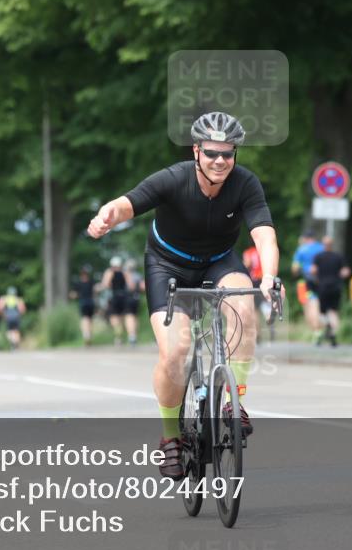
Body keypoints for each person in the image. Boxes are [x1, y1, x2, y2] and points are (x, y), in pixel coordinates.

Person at [87, 111, 281, 480]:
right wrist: (106, 216)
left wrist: (270, 276)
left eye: (228, 153)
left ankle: (233, 402)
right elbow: (127, 203)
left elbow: (264, 233)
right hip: (167, 266)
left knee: (244, 307)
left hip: (218, 261)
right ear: (196, 151)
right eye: (212, 153)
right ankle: (170, 437)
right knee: (176, 352)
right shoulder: (173, 179)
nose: (220, 161)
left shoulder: (245, 184)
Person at [310, 236, 351, 346]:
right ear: (332, 245)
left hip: (322, 287)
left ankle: (326, 325)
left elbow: (313, 270)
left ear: (323, 245)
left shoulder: (318, 257)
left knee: (322, 312)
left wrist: (316, 276)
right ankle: (333, 332)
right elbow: (345, 271)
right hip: (336, 287)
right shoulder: (338, 256)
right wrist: (340, 276)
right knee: (334, 311)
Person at [291, 230, 324, 343]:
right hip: (322, 281)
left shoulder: (301, 249)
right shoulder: (322, 248)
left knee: (309, 307)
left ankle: (316, 331)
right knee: (320, 304)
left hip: (304, 282)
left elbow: (295, 269)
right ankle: (322, 328)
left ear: (305, 238)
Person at [100, 256, 134, 346]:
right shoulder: (125, 272)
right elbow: (131, 286)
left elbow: (105, 284)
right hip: (125, 296)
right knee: (128, 316)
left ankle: (118, 336)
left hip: (114, 296)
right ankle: (132, 336)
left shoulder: (109, 272)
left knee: (114, 317)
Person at [69, 266, 97, 346]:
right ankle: (88, 336)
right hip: (90, 302)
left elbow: (73, 294)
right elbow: (95, 292)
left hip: (84, 302)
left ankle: (86, 335)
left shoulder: (79, 283)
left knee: (85, 319)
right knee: (89, 320)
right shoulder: (91, 282)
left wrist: (74, 295)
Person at [125, 258, 144, 346]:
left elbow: (130, 287)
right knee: (135, 316)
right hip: (136, 298)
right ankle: (134, 335)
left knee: (129, 316)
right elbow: (143, 287)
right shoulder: (138, 275)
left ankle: (132, 336)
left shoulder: (126, 275)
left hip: (128, 298)